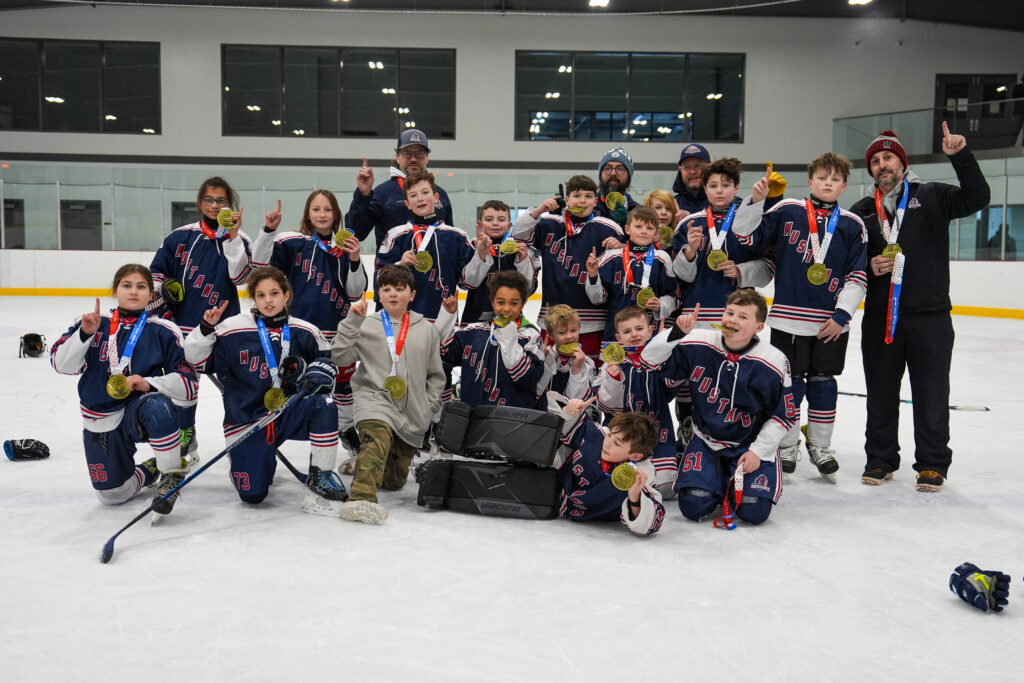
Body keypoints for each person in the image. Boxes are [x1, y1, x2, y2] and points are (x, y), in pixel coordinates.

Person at [850, 126, 990, 491]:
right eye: (875, 160)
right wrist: (868, 264)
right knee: (880, 392)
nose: (882, 165)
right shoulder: (862, 211)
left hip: (929, 316)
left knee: (931, 393)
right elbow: (846, 262)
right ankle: (880, 459)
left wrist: (960, 156)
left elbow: (978, 197)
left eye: (888, 157)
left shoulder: (932, 195)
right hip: (880, 318)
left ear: (902, 162)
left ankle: (932, 463)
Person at [733, 152, 867, 479]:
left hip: (830, 323)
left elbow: (857, 275)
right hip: (787, 320)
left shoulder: (852, 224)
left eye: (835, 179)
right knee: (790, 385)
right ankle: (787, 444)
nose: (828, 183)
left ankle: (820, 446)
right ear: (810, 182)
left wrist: (842, 315)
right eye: (822, 178)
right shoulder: (787, 210)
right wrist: (756, 201)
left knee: (824, 384)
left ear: (843, 186)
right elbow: (746, 236)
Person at [183, 266, 347, 514]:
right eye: (261, 295)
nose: (268, 301)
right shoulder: (231, 329)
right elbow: (197, 361)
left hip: (289, 412)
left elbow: (326, 370)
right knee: (253, 495)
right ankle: (257, 458)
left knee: (324, 403)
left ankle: (321, 474)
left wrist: (318, 374)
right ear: (253, 298)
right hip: (247, 420)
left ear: (286, 295)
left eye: (274, 293)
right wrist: (205, 329)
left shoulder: (307, 331)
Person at [641, 290, 796, 526]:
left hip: (748, 444)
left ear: (758, 327)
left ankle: (726, 479)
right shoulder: (699, 340)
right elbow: (649, 360)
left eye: (743, 317)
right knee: (693, 506)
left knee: (754, 511)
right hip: (706, 440)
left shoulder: (773, 360)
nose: (732, 320)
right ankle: (716, 480)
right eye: (729, 313)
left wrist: (758, 451)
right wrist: (677, 333)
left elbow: (783, 416)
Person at [50, 264, 197, 512]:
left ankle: (171, 474)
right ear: (114, 291)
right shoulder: (93, 323)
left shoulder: (164, 330)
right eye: (127, 285)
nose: (134, 291)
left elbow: (188, 385)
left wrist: (149, 383)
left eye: (141, 286)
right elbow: (61, 365)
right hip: (100, 418)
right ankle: (149, 470)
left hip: (138, 412)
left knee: (159, 408)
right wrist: (85, 334)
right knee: (112, 495)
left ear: (151, 295)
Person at [252, 190, 368, 453]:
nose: (322, 214)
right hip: (299, 332)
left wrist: (354, 258)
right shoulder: (292, 242)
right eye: (316, 209)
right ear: (307, 214)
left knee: (343, 385)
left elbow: (355, 292)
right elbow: (260, 263)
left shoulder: (345, 247)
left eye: (327, 209)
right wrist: (268, 231)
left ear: (336, 214)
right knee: (291, 382)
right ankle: (272, 431)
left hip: (336, 332)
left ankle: (346, 428)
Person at [149, 176, 254, 463]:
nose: (215, 205)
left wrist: (232, 237)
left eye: (221, 200)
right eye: (209, 199)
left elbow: (240, 278)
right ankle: (186, 434)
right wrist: (163, 300)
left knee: (234, 385)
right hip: (183, 327)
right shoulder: (180, 236)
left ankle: (240, 432)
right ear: (200, 202)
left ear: (230, 204)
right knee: (184, 384)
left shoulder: (240, 239)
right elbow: (156, 274)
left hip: (223, 328)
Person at [331, 265, 446, 524]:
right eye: (386, 289)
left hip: (412, 411)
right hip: (375, 400)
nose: (393, 293)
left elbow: (436, 376)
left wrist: (427, 406)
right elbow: (340, 357)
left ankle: (365, 462)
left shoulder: (427, 330)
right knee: (377, 439)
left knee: (394, 482)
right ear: (379, 295)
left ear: (412, 295)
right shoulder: (366, 325)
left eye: (399, 288)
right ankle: (360, 499)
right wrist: (352, 322)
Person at [512, 174, 625, 361]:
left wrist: (621, 246)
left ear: (596, 201)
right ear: (566, 199)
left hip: (593, 322)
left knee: (589, 372)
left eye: (588, 196)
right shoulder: (549, 224)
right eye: (577, 195)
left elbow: (629, 258)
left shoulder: (608, 227)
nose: (582, 200)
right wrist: (539, 210)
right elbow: (519, 235)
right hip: (552, 319)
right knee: (550, 372)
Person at [671, 158, 771, 329]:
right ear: (704, 188)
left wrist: (741, 271)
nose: (719, 191)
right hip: (696, 314)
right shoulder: (689, 224)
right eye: (713, 186)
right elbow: (682, 277)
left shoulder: (751, 222)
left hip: (740, 314)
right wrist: (690, 251)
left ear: (736, 188)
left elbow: (769, 266)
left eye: (725, 185)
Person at [375, 170, 486, 323]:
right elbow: (379, 278)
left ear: (436, 198)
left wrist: (481, 255)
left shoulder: (457, 236)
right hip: (403, 321)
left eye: (425, 192)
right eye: (413, 195)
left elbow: (468, 283)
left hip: (444, 319)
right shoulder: (396, 235)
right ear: (407, 204)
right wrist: (400, 266)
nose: (420, 198)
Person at [594, 307, 681, 495]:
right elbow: (604, 406)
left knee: (666, 488)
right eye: (627, 331)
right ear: (619, 338)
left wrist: (667, 351)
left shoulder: (659, 359)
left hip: (658, 431)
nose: (634, 334)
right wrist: (613, 380)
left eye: (639, 329)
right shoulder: (610, 364)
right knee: (614, 483)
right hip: (621, 436)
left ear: (650, 331)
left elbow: (672, 389)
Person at [551, 396, 665, 536]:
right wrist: (570, 411)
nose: (608, 443)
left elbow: (650, 524)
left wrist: (635, 498)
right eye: (610, 435)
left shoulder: (639, 475)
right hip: (556, 486)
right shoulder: (600, 434)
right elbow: (566, 425)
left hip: (584, 516)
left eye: (617, 443)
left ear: (635, 456)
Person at [436, 271, 544, 409]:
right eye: (500, 302)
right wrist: (447, 315)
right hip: (474, 416)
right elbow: (446, 352)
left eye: (514, 303)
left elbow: (526, 378)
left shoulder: (530, 337)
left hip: (512, 418)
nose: (506, 309)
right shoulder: (474, 331)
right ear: (492, 302)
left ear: (523, 304)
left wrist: (509, 338)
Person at [346, 129, 454, 250]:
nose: (413, 159)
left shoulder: (439, 193)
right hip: (393, 262)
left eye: (419, 154)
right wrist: (363, 195)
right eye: (407, 153)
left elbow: (450, 240)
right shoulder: (382, 193)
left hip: (435, 262)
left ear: (427, 158)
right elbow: (357, 233)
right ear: (397, 157)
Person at [585, 205, 676, 342]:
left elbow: (675, 296)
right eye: (638, 226)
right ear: (627, 229)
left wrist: (661, 304)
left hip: (650, 336)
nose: (644, 231)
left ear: (656, 233)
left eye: (649, 228)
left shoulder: (662, 258)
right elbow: (597, 299)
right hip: (616, 335)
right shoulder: (610, 257)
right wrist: (593, 275)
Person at [461, 199, 540, 325]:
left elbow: (527, 289)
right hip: (474, 318)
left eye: (501, 219)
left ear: (509, 225)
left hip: (511, 318)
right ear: (480, 224)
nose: (495, 223)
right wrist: (480, 255)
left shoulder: (519, 249)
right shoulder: (470, 246)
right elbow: (467, 283)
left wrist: (523, 261)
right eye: (489, 219)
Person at [536, 305, 595, 402]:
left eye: (573, 330)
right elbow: (536, 392)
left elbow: (578, 401)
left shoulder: (587, 362)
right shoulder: (545, 356)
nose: (569, 336)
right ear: (551, 336)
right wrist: (542, 362)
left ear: (579, 329)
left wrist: (577, 369)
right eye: (562, 333)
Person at [595, 146, 640, 226]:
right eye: (607, 168)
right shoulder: (588, 205)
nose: (613, 173)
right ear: (600, 174)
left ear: (629, 176)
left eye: (620, 169)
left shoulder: (638, 212)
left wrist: (629, 224)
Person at [1011, 73, 1024, 147]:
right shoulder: (1018, 87)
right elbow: (1014, 95)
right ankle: (1012, 145)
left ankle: (1023, 146)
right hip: (1018, 111)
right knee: (1016, 129)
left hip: (1019, 111)